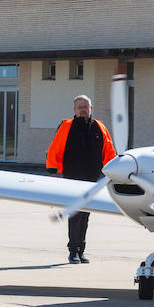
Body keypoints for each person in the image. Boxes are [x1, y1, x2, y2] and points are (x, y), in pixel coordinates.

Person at [46, 94, 116, 263]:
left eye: (86, 106)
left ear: (90, 108)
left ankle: (81, 249)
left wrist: (114, 171)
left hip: (92, 178)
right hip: (72, 177)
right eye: (80, 107)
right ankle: (73, 251)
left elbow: (109, 151)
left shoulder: (99, 127)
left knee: (85, 214)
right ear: (74, 110)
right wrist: (53, 172)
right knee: (75, 213)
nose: (83, 109)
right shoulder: (66, 127)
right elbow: (54, 149)